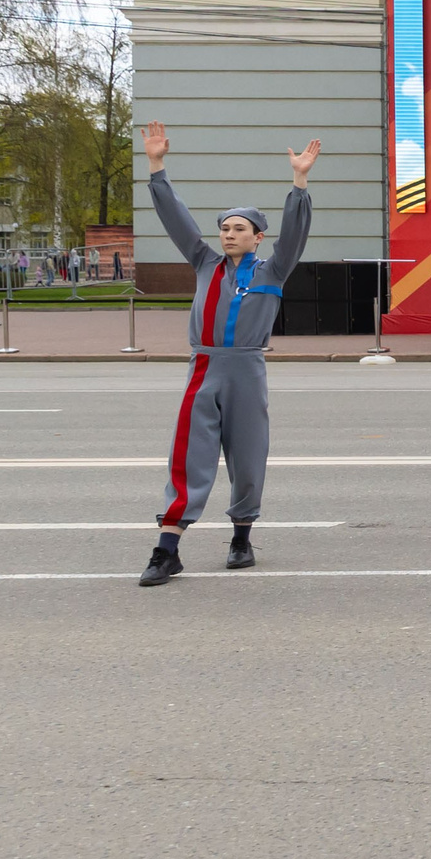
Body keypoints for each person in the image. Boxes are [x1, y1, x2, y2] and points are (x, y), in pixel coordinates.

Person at [134, 121, 317, 586]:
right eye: (225, 228)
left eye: (240, 229)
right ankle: (166, 550)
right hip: (205, 366)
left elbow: (294, 234)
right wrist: (157, 165)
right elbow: (176, 218)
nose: (229, 234)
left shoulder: (273, 269)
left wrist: (299, 182)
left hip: (247, 370)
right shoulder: (205, 263)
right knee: (188, 456)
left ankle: (241, 538)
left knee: (248, 457)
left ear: (258, 237)